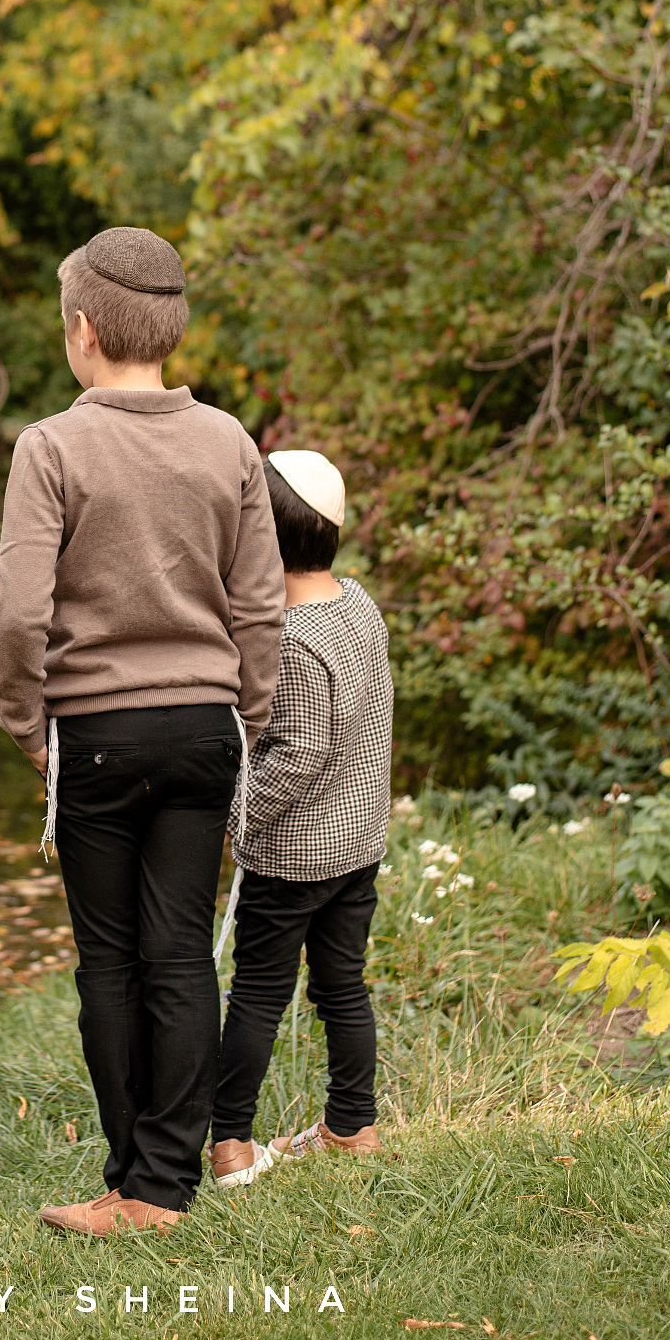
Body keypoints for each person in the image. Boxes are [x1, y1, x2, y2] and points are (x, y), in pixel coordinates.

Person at [0, 226, 285, 1236]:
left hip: (97, 733)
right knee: (180, 954)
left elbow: (20, 614)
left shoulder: (53, 446)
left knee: (110, 960)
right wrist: (252, 714)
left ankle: (137, 1183)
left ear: (83, 331)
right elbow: (258, 605)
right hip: (205, 723)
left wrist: (27, 723)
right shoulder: (230, 442)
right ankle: (164, 1179)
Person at [209, 449, 393, 1189]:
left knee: (257, 991)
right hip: (358, 843)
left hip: (293, 855)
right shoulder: (358, 604)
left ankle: (229, 1144)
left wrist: (232, 815)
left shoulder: (289, 637)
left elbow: (299, 754)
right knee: (343, 983)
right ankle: (353, 1125)